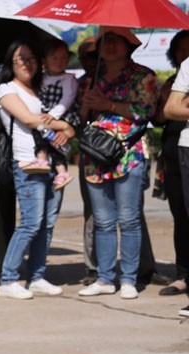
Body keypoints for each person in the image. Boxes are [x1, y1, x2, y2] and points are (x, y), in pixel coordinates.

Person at [75, 27, 157, 300]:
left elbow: (145, 112)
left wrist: (107, 104)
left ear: (128, 46)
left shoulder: (143, 75)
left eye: (116, 42)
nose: (110, 46)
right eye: (105, 42)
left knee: (129, 219)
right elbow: (80, 118)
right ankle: (105, 278)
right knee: (103, 221)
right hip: (95, 155)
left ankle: (129, 279)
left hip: (128, 152)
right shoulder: (90, 80)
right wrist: (87, 105)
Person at [0, 40, 75, 301]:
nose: (26, 63)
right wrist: (62, 125)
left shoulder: (39, 91)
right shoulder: (6, 89)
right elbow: (29, 120)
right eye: (20, 59)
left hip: (51, 163)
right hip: (28, 163)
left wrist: (67, 129)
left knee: (47, 224)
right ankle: (8, 279)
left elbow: (67, 129)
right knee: (30, 223)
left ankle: (37, 276)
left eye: (30, 58)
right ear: (11, 64)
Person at [154, 30, 189, 298]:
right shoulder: (172, 82)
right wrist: (165, 97)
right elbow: (160, 117)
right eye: (180, 49)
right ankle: (183, 274)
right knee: (181, 215)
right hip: (175, 152)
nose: (185, 52)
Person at [38, 39, 77, 190]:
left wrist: (54, 115)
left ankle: (62, 172)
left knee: (58, 144)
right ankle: (41, 159)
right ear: (44, 61)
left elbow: (68, 98)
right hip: (44, 115)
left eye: (63, 58)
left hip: (61, 115)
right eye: (54, 58)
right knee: (40, 138)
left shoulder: (68, 79)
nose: (59, 62)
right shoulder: (40, 77)